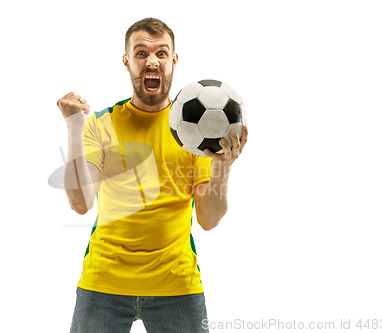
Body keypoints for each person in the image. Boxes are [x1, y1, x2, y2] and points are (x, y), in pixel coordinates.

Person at [56, 17, 248, 333]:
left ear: (173, 61)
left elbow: (209, 220)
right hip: (103, 283)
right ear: (127, 62)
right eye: (141, 52)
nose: (151, 61)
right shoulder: (102, 124)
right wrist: (75, 127)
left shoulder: (195, 133)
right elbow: (80, 203)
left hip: (176, 286)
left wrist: (222, 169)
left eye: (161, 52)